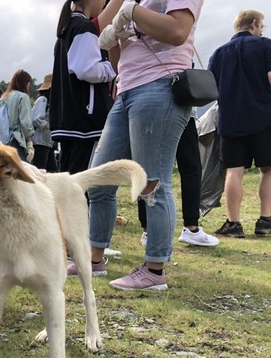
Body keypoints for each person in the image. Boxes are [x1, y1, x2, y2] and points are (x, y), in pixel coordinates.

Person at [76, 0, 204, 290]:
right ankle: (94, 259)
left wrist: (132, 13)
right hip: (127, 89)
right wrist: (115, 37)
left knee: (152, 180)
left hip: (161, 85)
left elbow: (177, 31)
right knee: (99, 179)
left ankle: (154, 270)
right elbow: (118, 62)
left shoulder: (139, 6)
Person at [208, 9, 271, 238]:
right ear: (255, 24)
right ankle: (265, 221)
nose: (262, 30)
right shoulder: (265, 44)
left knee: (234, 170)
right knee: (269, 168)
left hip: (230, 120)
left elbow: (211, 88)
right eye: (261, 26)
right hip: (263, 117)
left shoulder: (217, 54)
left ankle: (233, 224)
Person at [50, 0, 116, 175]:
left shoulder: (66, 29)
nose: (103, 4)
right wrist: (112, 69)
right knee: (81, 184)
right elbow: (86, 69)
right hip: (85, 121)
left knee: (68, 181)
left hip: (69, 119)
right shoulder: (84, 27)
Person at [138, 114, 219, 247]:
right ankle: (191, 228)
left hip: (148, 110)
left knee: (148, 168)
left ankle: (149, 230)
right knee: (191, 168)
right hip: (181, 109)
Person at [0, 69, 35, 162]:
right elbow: (26, 123)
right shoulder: (23, 97)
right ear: (25, 83)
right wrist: (30, 143)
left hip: (1, 138)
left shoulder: (3, 97)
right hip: (16, 139)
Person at [31, 73, 58, 172]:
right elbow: (35, 119)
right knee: (40, 170)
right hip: (40, 142)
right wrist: (48, 125)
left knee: (52, 171)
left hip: (48, 142)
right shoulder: (43, 100)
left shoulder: (49, 101)